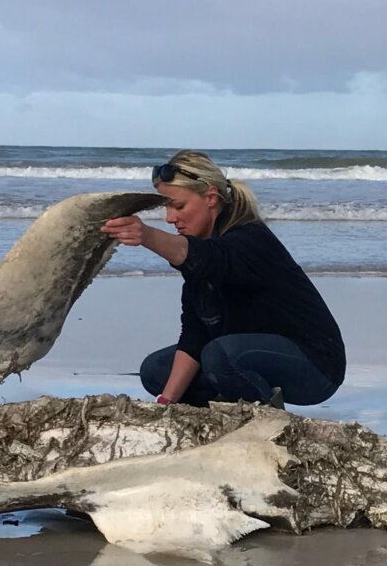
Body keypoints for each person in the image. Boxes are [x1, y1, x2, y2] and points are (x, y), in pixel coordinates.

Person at [100, 151, 345, 408]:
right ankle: (224, 410)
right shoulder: (201, 255)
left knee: (219, 355)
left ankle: (267, 419)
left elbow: (209, 258)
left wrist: (147, 235)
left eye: (178, 206)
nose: (170, 218)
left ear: (210, 197)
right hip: (242, 356)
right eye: (167, 207)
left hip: (315, 367)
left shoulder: (249, 239)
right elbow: (195, 336)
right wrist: (166, 402)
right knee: (155, 371)